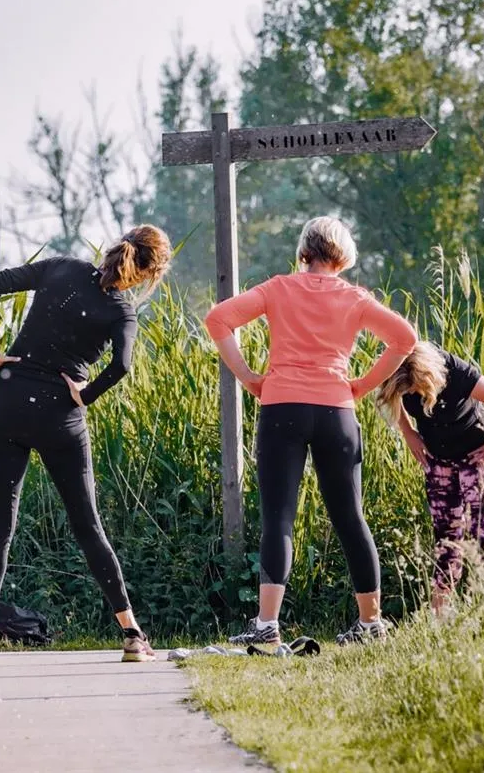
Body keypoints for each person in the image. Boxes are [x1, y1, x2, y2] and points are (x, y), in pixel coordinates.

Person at [204, 216, 417, 646]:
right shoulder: (355, 298)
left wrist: (247, 376)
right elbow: (405, 338)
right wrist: (361, 385)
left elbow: (218, 320)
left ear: (304, 252)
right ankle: (371, 624)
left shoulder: (278, 288)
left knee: (279, 517)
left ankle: (266, 627)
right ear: (344, 256)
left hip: (282, 406)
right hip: (336, 410)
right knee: (350, 517)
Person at [0, 225, 172, 665]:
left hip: (8, 400)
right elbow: (122, 366)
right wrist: (86, 392)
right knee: (88, 526)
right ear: (148, 272)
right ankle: (132, 635)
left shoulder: (62, 267)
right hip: (59, 413)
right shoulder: (122, 309)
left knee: (0, 523)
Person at [375, 341, 484, 614]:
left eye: (414, 389)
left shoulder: (455, 372)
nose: (411, 395)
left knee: (481, 536)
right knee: (446, 541)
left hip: (476, 457)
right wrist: (408, 432)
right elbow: (390, 396)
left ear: (428, 377)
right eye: (406, 391)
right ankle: (439, 617)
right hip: (438, 459)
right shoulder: (397, 368)